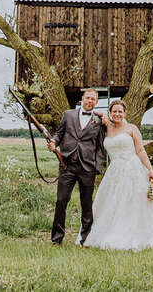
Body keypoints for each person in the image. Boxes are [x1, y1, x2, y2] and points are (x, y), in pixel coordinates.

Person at [83, 99, 153, 251]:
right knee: (111, 204)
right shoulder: (107, 127)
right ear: (110, 113)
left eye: (120, 111)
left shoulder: (132, 128)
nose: (117, 114)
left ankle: (138, 234)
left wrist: (150, 170)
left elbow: (140, 151)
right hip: (114, 172)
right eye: (114, 111)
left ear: (125, 113)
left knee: (133, 203)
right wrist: (103, 116)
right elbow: (93, 113)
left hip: (132, 168)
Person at [47, 88, 106, 246]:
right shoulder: (68, 114)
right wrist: (53, 142)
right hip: (67, 165)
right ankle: (57, 239)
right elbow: (59, 133)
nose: (90, 101)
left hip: (88, 168)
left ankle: (85, 239)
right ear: (82, 98)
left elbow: (101, 147)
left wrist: (97, 167)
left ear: (96, 102)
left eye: (93, 99)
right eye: (88, 98)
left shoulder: (100, 121)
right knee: (61, 201)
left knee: (86, 204)